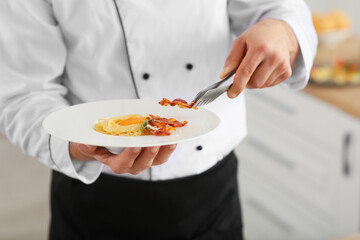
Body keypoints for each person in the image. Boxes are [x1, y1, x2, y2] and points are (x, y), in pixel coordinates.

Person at [0, 0, 317, 239]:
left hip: (211, 195)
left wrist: (283, 30)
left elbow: (278, 8)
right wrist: (75, 145)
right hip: (95, 192)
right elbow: (22, 93)